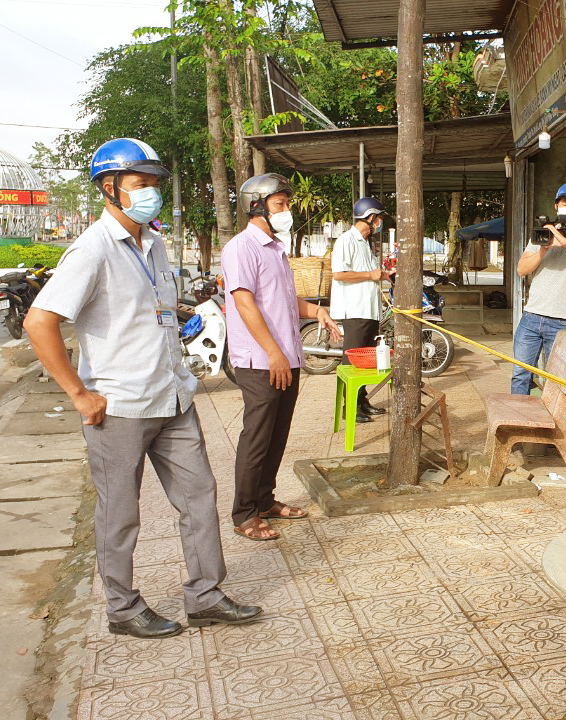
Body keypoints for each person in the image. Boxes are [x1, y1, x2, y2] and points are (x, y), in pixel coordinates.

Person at [24, 138, 261, 638]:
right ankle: (123, 607)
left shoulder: (153, 246)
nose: (151, 192)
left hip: (172, 396)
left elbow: (143, 312)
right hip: (120, 407)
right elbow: (39, 322)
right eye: (140, 183)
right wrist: (78, 393)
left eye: (155, 182)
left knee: (199, 497)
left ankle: (205, 595)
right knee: (121, 513)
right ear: (110, 189)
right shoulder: (92, 250)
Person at [221, 174, 343, 541]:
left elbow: (283, 300)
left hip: (286, 356)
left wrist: (316, 311)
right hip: (260, 360)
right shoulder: (241, 248)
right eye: (280, 204)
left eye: (287, 204)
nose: (287, 210)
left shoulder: (275, 248)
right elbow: (244, 303)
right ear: (257, 206)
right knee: (257, 436)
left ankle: (265, 500)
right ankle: (244, 513)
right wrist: (273, 352)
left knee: (277, 436)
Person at [512, 182, 566, 394]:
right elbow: (522, 269)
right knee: (521, 375)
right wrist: (545, 247)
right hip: (531, 316)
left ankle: (551, 426)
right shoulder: (542, 234)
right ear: (556, 206)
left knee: (557, 382)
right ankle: (518, 423)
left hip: (562, 321)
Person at [329, 197, 395, 422]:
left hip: (369, 311)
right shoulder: (346, 240)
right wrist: (370, 275)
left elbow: (370, 274)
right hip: (355, 311)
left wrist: (384, 275)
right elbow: (339, 274)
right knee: (352, 362)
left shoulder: (365, 244)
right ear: (369, 217)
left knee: (366, 361)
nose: (380, 223)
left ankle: (361, 401)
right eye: (379, 218)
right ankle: (350, 407)